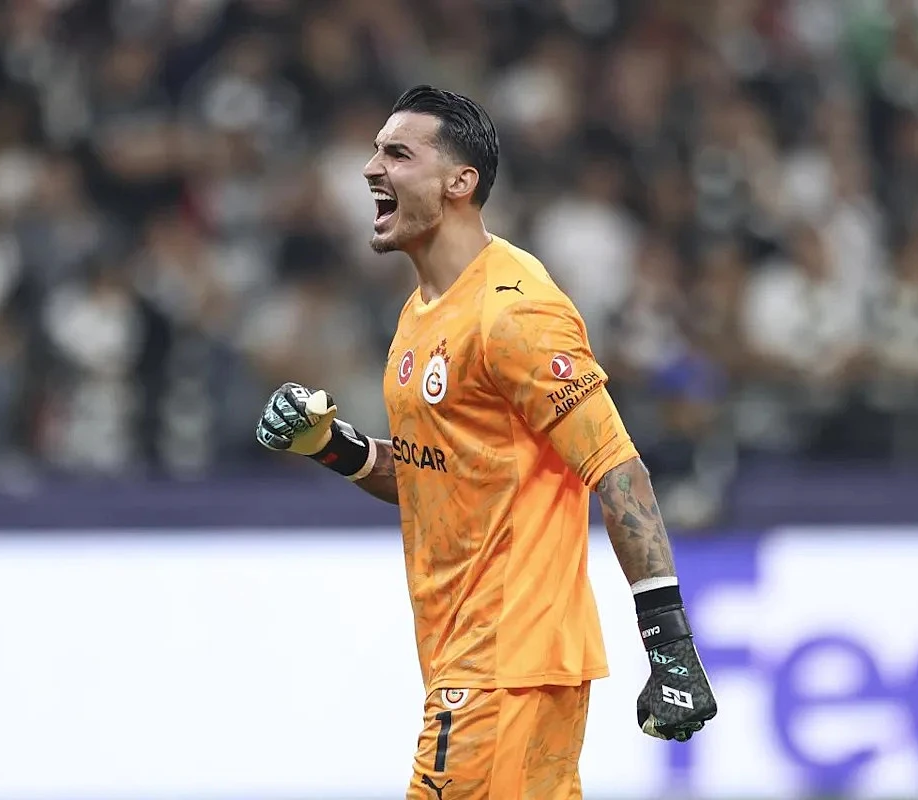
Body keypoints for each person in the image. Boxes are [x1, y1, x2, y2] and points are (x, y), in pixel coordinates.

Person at [255, 86, 716, 799]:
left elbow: (618, 470)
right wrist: (332, 447)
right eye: (375, 151)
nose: (371, 169)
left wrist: (669, 643)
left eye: (397, 154)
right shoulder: (419, 316)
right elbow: (435, 476)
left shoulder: (515, 312)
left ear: (459, 182)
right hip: (474, 657)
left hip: (504, 660)